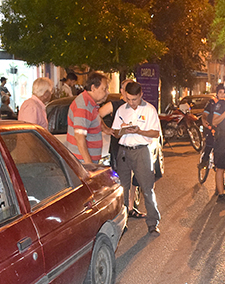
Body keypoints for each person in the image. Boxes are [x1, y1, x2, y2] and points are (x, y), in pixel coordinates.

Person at [111, 81, 162, 235]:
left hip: (141, 151)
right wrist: (123, 130)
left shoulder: (149, 109)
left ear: (141, 95)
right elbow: (115, 132)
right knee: (123, 189)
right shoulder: (121, 109)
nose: (131, 103)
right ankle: (123, 222)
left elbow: (156, 133)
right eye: (128, 99)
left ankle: (153, 222)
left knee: (147, 188)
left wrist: (140, 131)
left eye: (134, 99)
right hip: (124, 152)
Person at [99, 79, 144, 217]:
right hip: (119, 148)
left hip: (136, 147)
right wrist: (106, 129)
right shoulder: (115, 105)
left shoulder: (139, 106)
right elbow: (97, 115)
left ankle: (130, 207)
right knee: (121, 179)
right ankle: (121, 210)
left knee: (134, 178)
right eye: (126, 88)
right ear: (122, 91)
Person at [67, 71, 109, 163]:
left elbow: (94, 118)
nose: (107, 92)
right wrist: (88, 163)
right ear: (93, 88)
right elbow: (79, 136)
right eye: (104, 89)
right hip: (82, 161)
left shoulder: (91, 103)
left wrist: (105, 129)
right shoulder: (83, 106)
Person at [199, 84, 225, 190]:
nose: (222, 95)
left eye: (224, 92)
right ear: (217, 93)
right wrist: (205, 121)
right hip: (211, 129)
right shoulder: (211, 103)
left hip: (223, 132)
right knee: (209, 144)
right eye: (220, 92)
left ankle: (219, 184)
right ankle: (204, 160)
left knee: (220, 159)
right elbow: (204, 115)